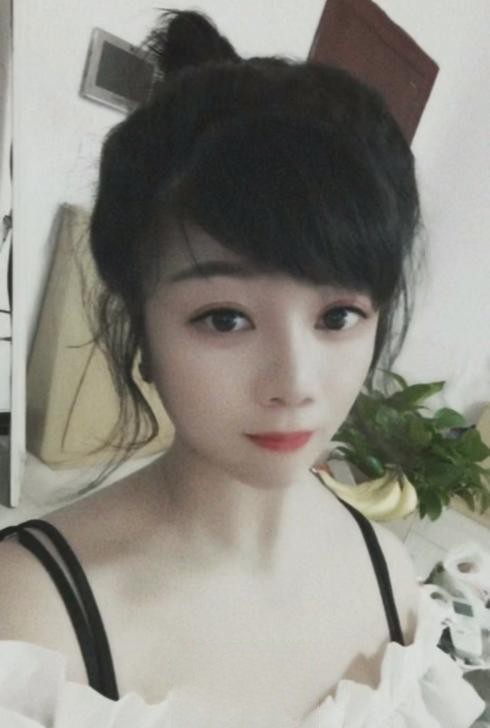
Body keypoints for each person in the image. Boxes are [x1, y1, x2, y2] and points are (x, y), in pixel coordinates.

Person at [0, 10, 485, 727]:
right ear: (140, 323)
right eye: (225, 319)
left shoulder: (391, 574)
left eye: (338, 316)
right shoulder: (31, 627)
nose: (295, 383)